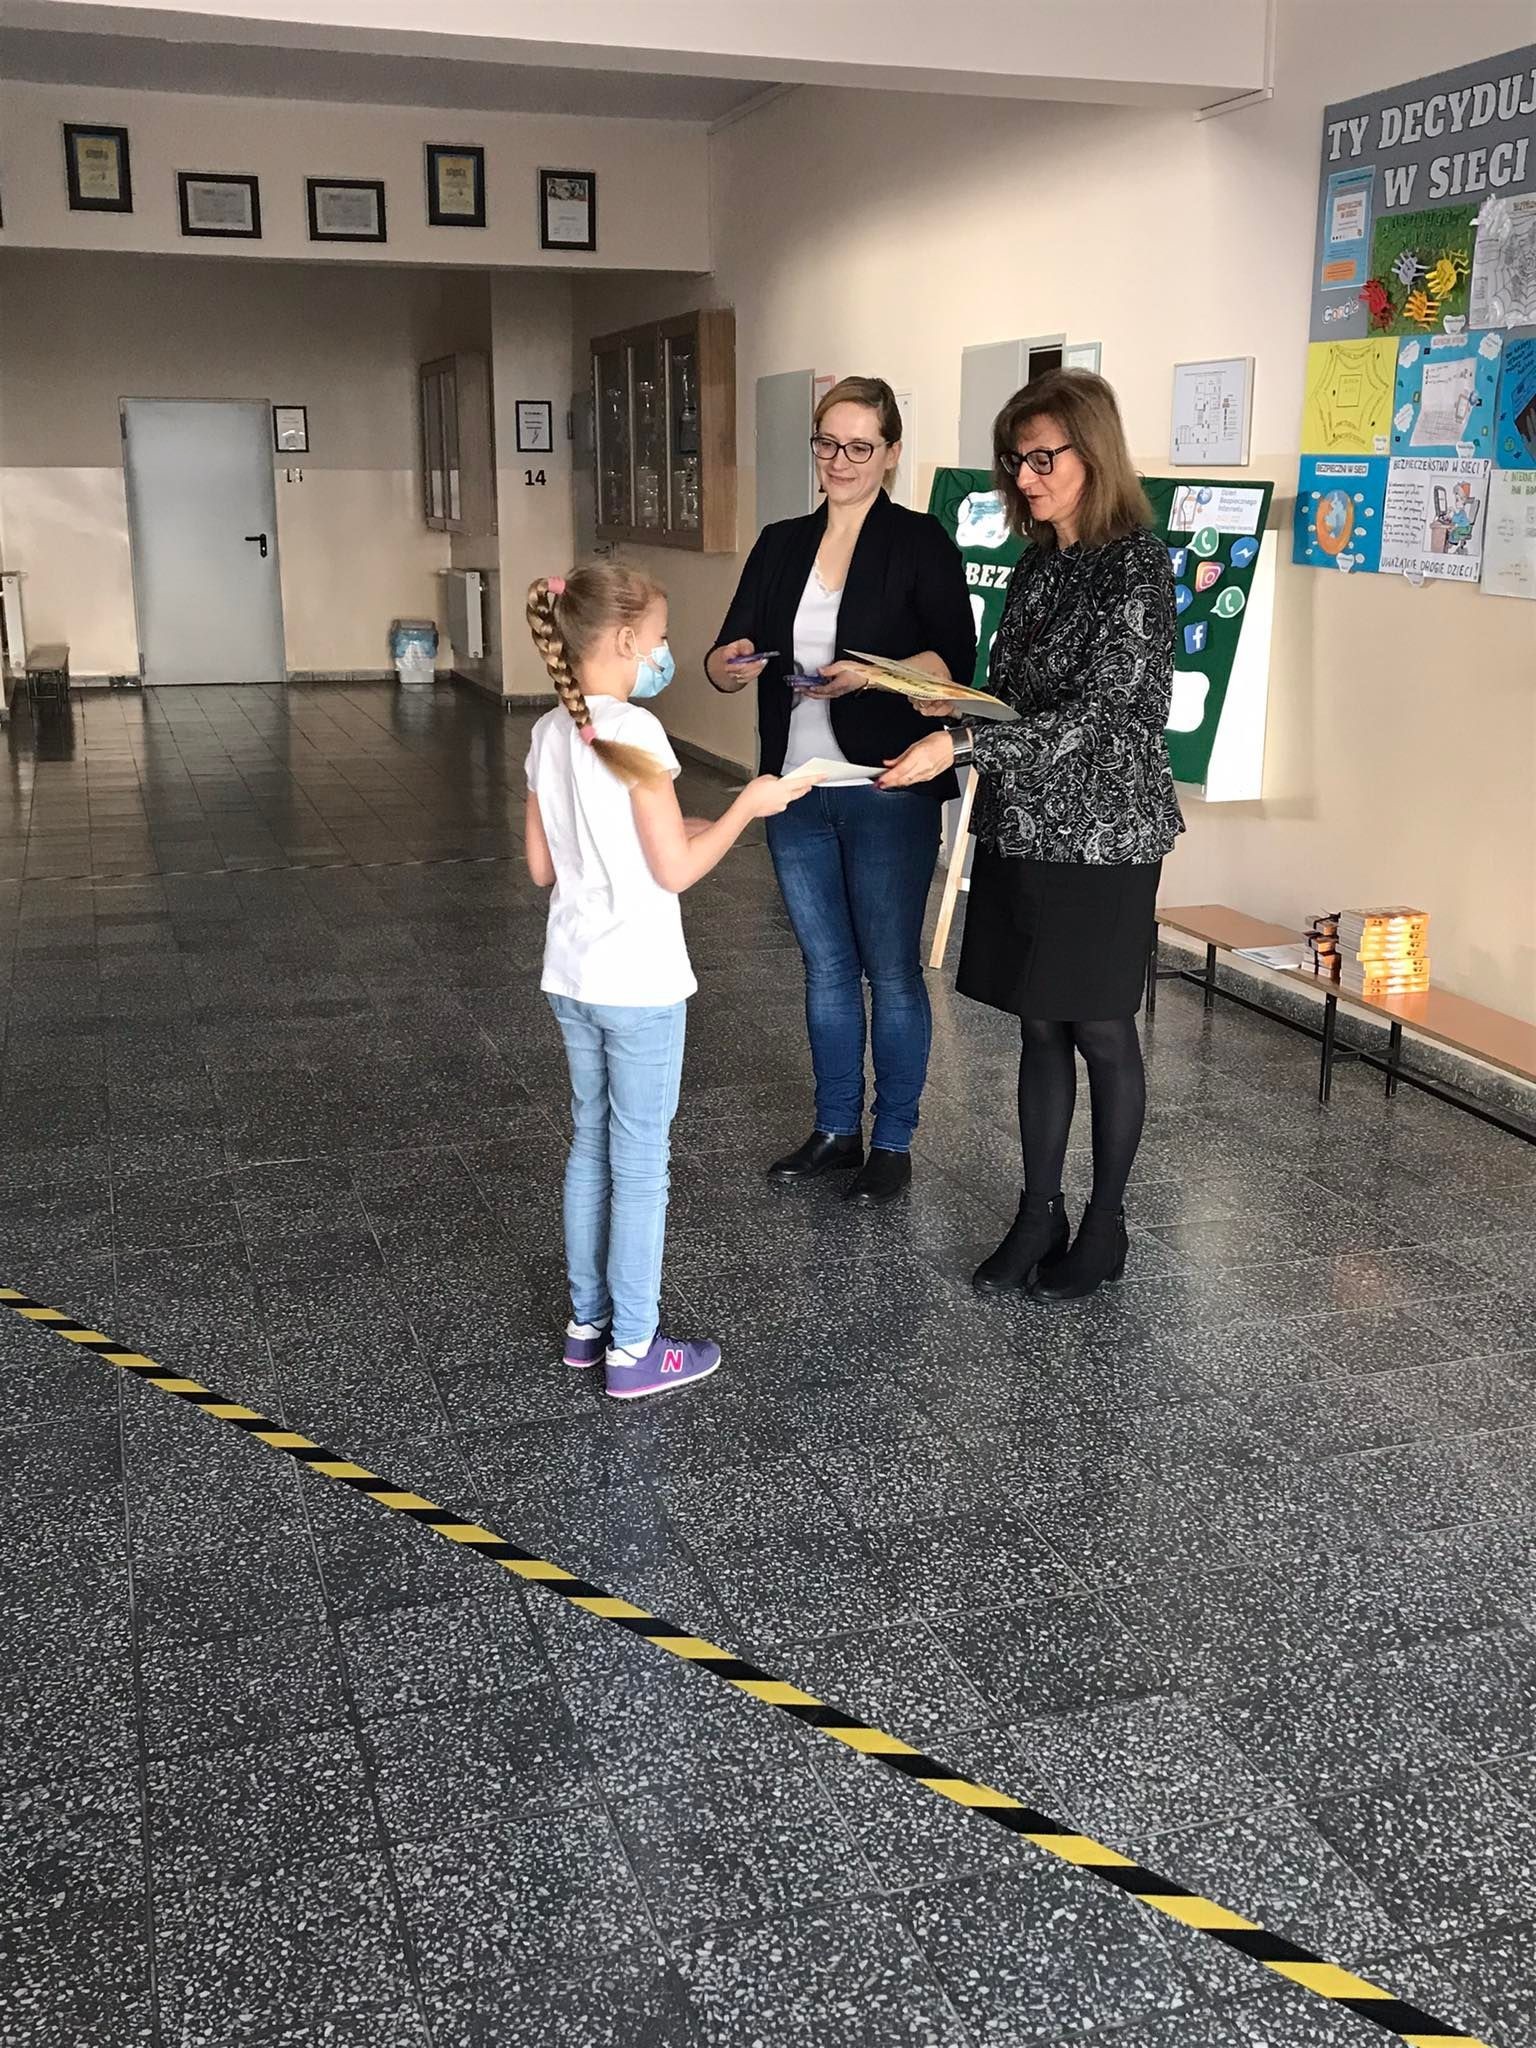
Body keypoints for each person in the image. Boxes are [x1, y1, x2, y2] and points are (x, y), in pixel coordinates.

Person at [879, 368, 1184, 1300]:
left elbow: (1107, 714)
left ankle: (1106, 1224)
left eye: (1043, 459)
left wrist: (962, 743)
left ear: (1093, 454)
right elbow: (1022, 697)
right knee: (1040, 1026)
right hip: (1026, 823)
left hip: (1104, 835)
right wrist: (959, 702)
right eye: (1015, 461)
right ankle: (1037, 1213)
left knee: (1101, 1028)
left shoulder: (1136, 565)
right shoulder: (1039, 562)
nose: (1024, 478)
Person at [524, 564, 814, 1398]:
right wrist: (746, 807)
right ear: (623, 640)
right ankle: (635, 1350)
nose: (662, 653)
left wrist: (684, 825)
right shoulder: (638, 732)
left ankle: (587, 1327)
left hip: (573, 974)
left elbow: (545, 865)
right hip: (640, 984)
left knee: (591, 1144)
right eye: (657, 639)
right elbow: (676, 870)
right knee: (642, 1165)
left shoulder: (548, 730)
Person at [705, 376, 975, 1206]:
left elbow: (952, 662)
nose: (841, 461)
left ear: (890, 453)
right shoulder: (781, 542)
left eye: (861, 446)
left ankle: (892, 1142)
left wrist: (872, 675)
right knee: (825, 967)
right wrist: (729, 663)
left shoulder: (918, 540)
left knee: (889, 970)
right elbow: (727, 651)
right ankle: (834, 1129)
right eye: (828, 443)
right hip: (794, 784)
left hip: (886, 781)